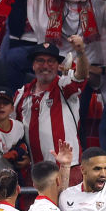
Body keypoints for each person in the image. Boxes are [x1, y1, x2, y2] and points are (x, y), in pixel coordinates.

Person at [12, 41, 88, 184]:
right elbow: (15, 133)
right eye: (40, 61)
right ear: (33, 65)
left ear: (58, 66)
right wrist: (22, 153)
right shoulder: (21, 94)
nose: (45, 66)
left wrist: (81, 53)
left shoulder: (64, 86)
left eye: (50, 61)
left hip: (69, 170)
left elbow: (82, 75)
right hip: (36, 174)